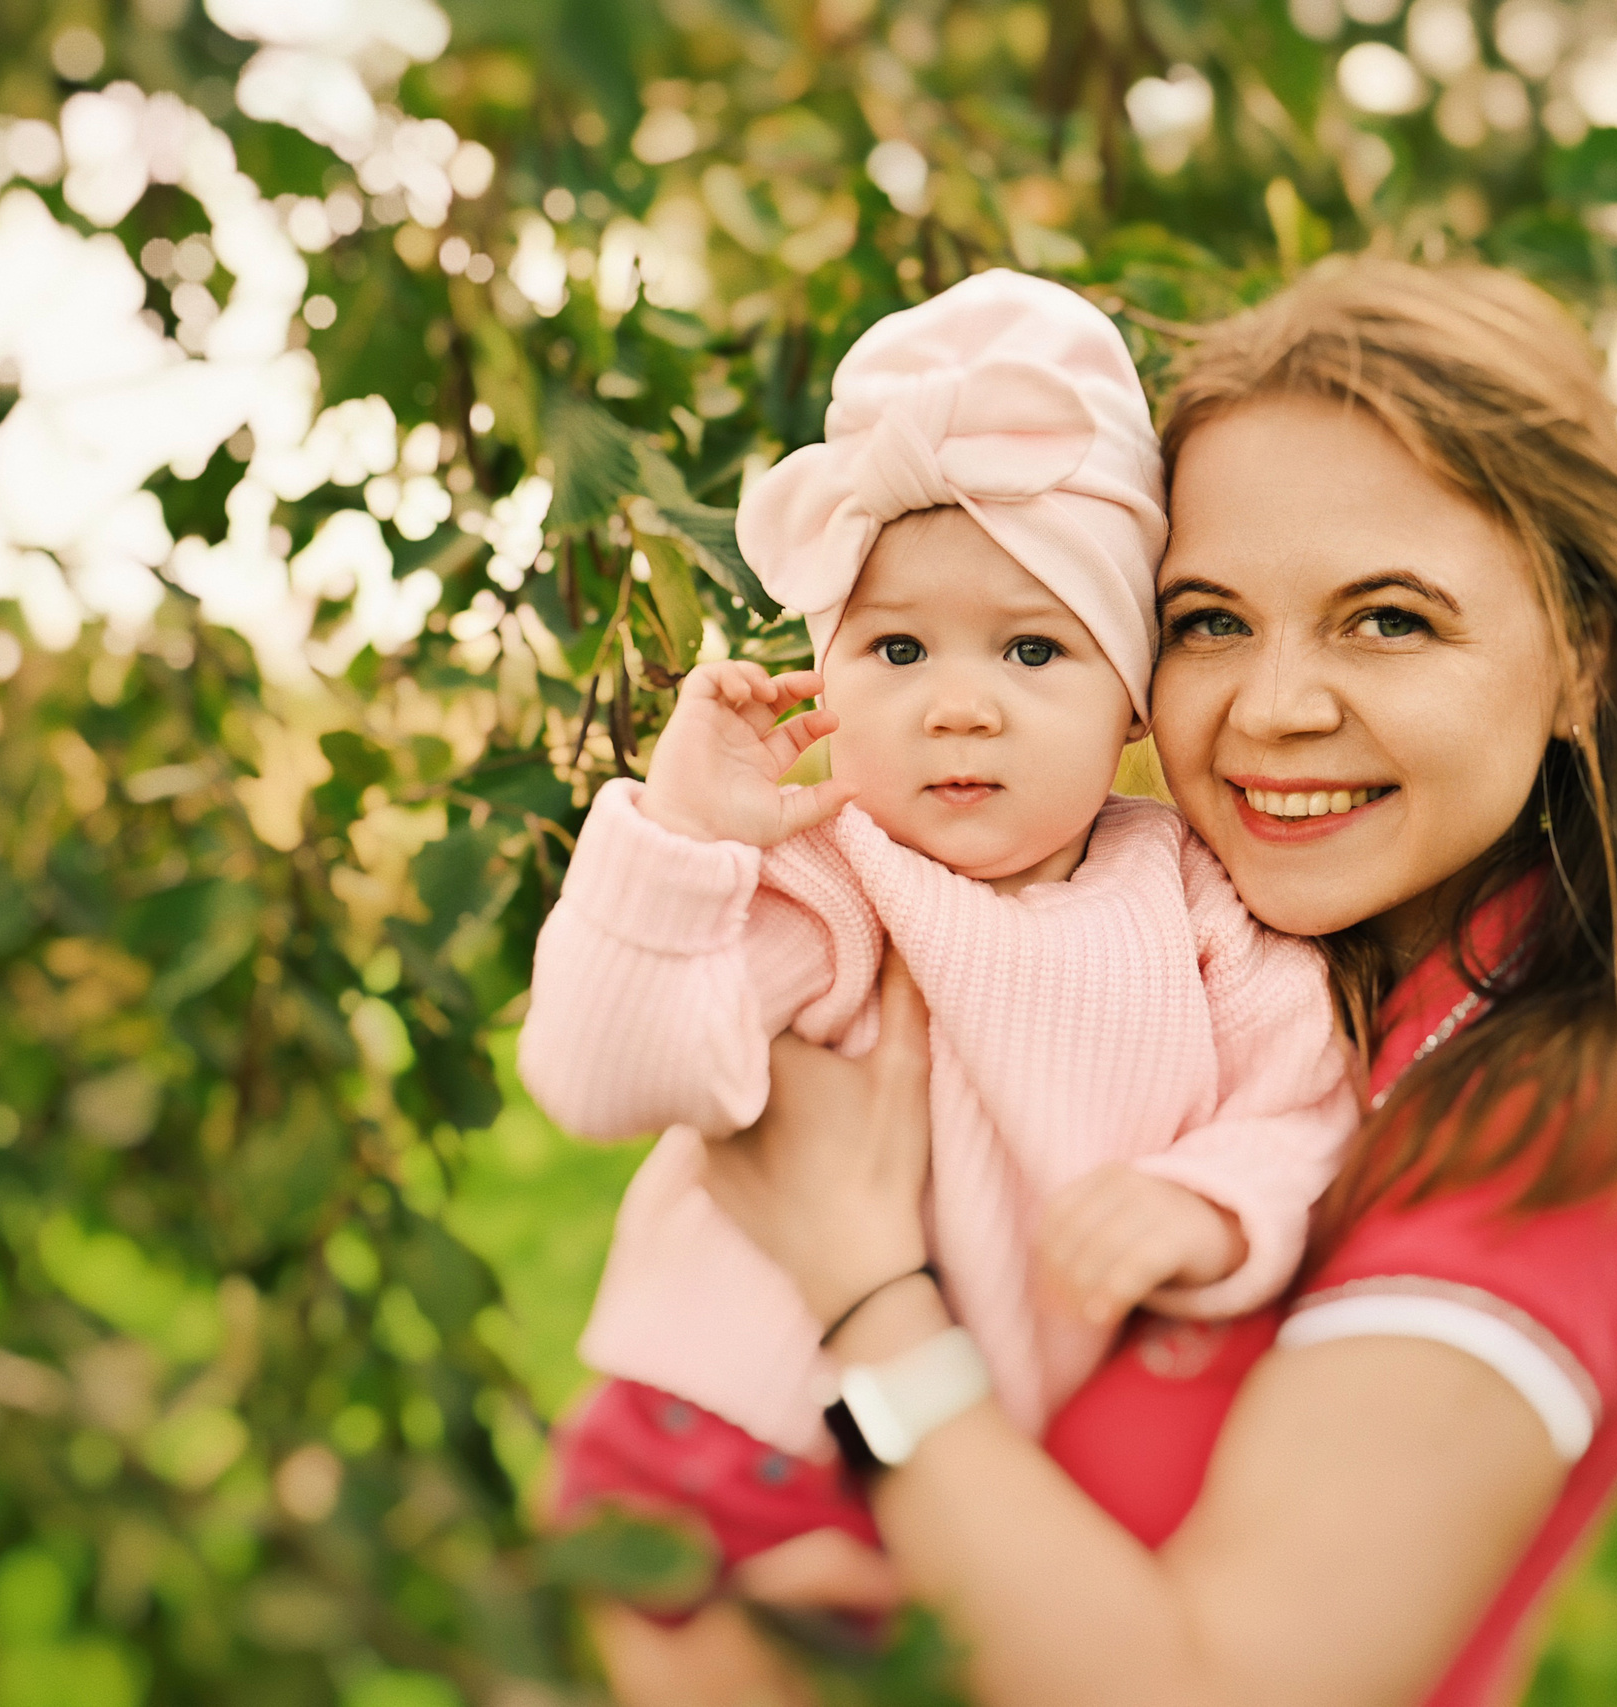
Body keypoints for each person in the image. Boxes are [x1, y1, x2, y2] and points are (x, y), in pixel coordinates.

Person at [602, 259, 1617, 1706]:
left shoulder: (1552, 1149)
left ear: (1580, 662)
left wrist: (863, 1288)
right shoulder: (1259, 988)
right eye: (1211, 621)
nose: (1274, 708)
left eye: (1389, 619)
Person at [517, 272, 1357, 1606]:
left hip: (943, 1488)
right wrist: (684, 841)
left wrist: (1207, 1204)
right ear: (825, 671)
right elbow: (599, 1074)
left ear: (1133, 699)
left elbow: (1306, 1105)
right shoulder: (836, 876)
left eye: (1031, 654)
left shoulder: (1193, 898)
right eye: (898, 650)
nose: (959, 708)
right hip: (717, 1445)